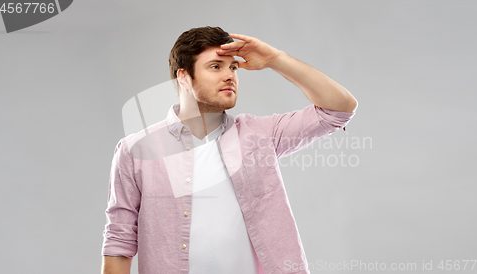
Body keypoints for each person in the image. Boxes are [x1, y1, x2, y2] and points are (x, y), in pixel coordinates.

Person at [101, 26, 357, 274]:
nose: (230, 75)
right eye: (216, 66)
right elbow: (119, 241)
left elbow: (340, 108)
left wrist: (275, 59)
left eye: (233, 67)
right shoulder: (136, 151)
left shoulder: (258, 136)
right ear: (184, 77)